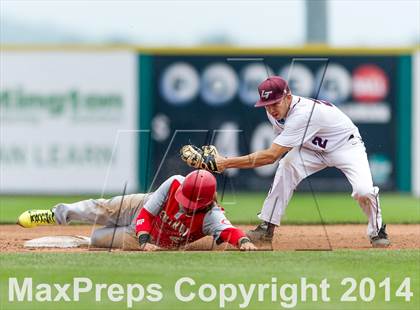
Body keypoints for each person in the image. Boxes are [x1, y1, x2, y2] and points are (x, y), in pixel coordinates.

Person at [181, 76, 390, 248]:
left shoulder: (303, 114)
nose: (271, 109)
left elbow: (271, 155)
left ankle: (377, 230)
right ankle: (266, 228)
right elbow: (280, 154)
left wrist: (224, 162)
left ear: (288, 96)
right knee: (287, 165)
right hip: (311, 148)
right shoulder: (275, 113)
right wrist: (225, 162)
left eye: (275, 103)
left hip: (345, 147)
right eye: (266, 104)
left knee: (363, 190)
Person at [17, 170, 257, 251]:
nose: (183, 203)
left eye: (189, 202)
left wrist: (244, 241)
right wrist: (143, 240)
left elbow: (229, 231)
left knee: (99, 239)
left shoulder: (212, 216)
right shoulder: (175, 182)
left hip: (154, 239)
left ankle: (82, 240)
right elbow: (147, 214)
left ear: (204, 203)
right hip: (140, 211)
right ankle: (56, 214)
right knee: (100, 209)